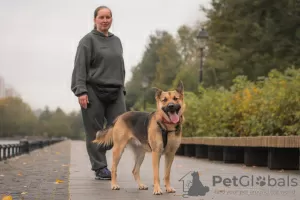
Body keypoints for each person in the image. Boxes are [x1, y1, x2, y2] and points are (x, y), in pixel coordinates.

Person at [71, 5, 127, 180]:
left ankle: (98, 149)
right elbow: (80, 68)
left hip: (116, 91)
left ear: (111, 19)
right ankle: (100, 167)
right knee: (94, 131)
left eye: (108, 17)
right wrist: (81, 91)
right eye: (101, 17)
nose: (105, 20)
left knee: (120, 129)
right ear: (95, 19)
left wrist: (122, 87)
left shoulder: (116, 41)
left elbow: (120, 66)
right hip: (93, 90)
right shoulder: (87, 41)